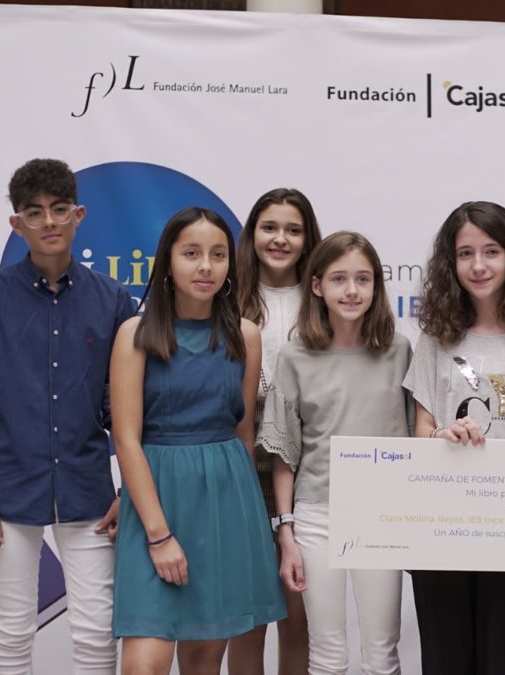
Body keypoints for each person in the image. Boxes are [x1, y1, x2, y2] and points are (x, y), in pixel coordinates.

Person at [0, 158, 133, 675]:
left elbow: (123, 409)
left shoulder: (114, 300)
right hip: (8, 488)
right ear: (17, 224)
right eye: (34, 212)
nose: (48, 221)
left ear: (79, 214)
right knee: (9, 632)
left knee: (98, 633)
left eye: (58, 210)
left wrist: (127, 491)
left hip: (90, 491)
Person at [110, 207, 286, 675]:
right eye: (191, 253)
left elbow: (243, 431)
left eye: (217, 255)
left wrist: (247, 519)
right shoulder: (135, 333)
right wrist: (157, 531)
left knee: (205, 659)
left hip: (228, 501)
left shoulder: (245, 335)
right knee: (143, 663)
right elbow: (126, 440)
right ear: (168, 260)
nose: (205, 266)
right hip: (158, 506)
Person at [404, 201, 505, 675]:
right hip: (443, 527)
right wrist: (444, 433)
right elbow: (421, 432)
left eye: (491, 251)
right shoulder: (434, 336)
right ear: (449, 263)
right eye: (465, 254)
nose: (478, 266)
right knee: (447, 659)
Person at [260, 231, 412, 675]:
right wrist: (286, 532)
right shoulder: (295, 356)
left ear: (376, 287)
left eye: (363, 280)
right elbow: (286, 454)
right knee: (326, 653)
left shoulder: (399, 352)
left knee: (382, 652)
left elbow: (418, 435)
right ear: (317, 286)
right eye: (340, 279)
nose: (351, 291)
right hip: (316, 516)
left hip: (382, 516)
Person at [229, 188, 322, 675]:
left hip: (303, 462)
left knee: (297, 609)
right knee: (249, 614)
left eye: (293, 229)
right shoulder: (226, 294)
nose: (280, 239)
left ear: (308, 239)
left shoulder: (324, 297)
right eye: (269, 227)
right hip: (240, 456)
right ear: (252, 234)